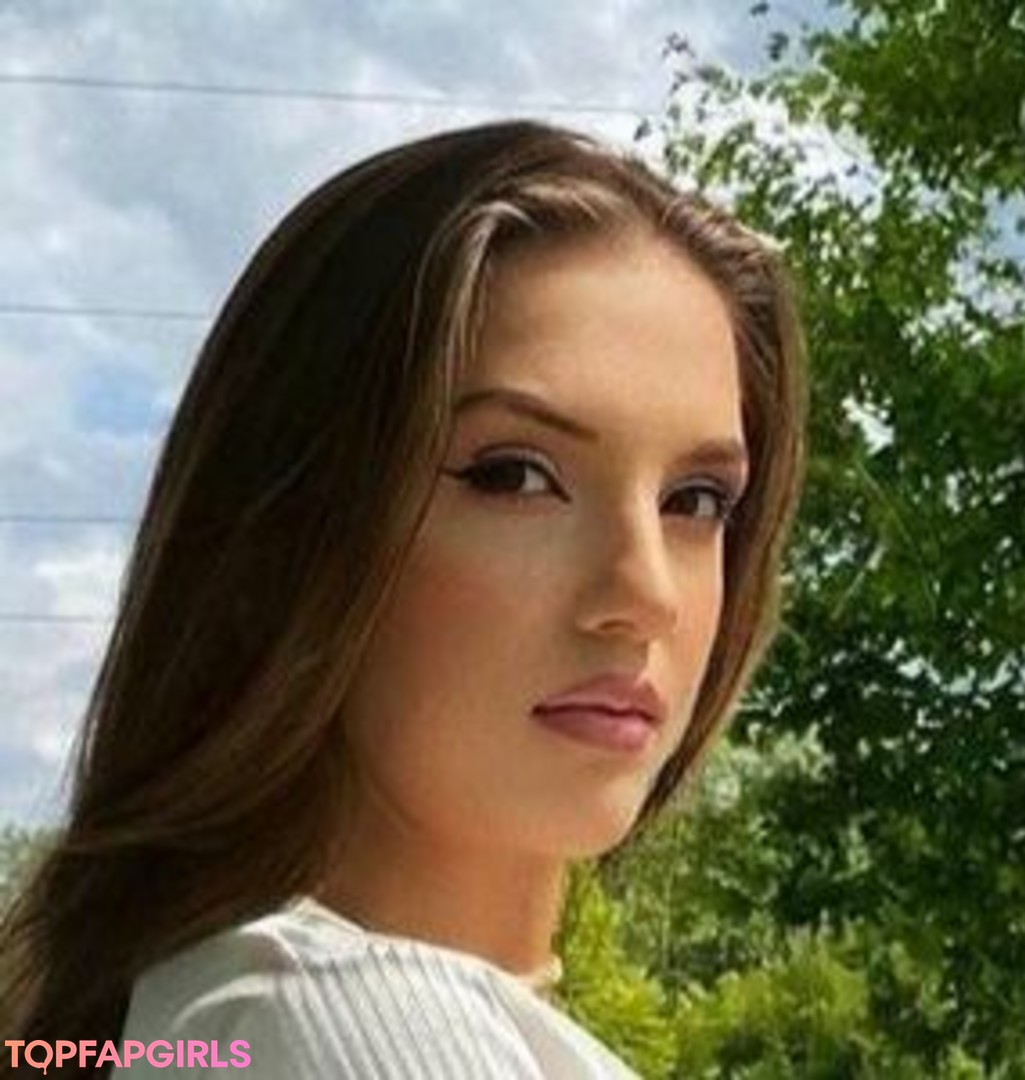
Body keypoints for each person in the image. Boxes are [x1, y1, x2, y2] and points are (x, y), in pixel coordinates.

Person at [0, 119, 806, 1077]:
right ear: (277, 541)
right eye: (515, 475)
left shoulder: (223, 1019)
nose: (646, 591)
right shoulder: (339, 1017)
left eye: (697, 500)